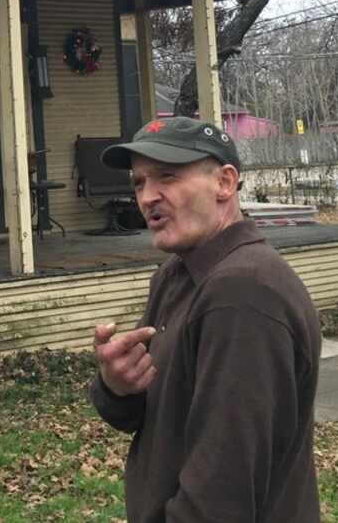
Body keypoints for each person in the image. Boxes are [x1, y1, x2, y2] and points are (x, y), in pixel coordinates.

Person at [89, 116, 321, 522]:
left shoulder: (244, 294)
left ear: (225, 183)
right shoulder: (176, 275)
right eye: (139, 182)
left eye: (167, 176)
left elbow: (221, 492)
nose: (147, 197)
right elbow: (149, 418)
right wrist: (117, 386)